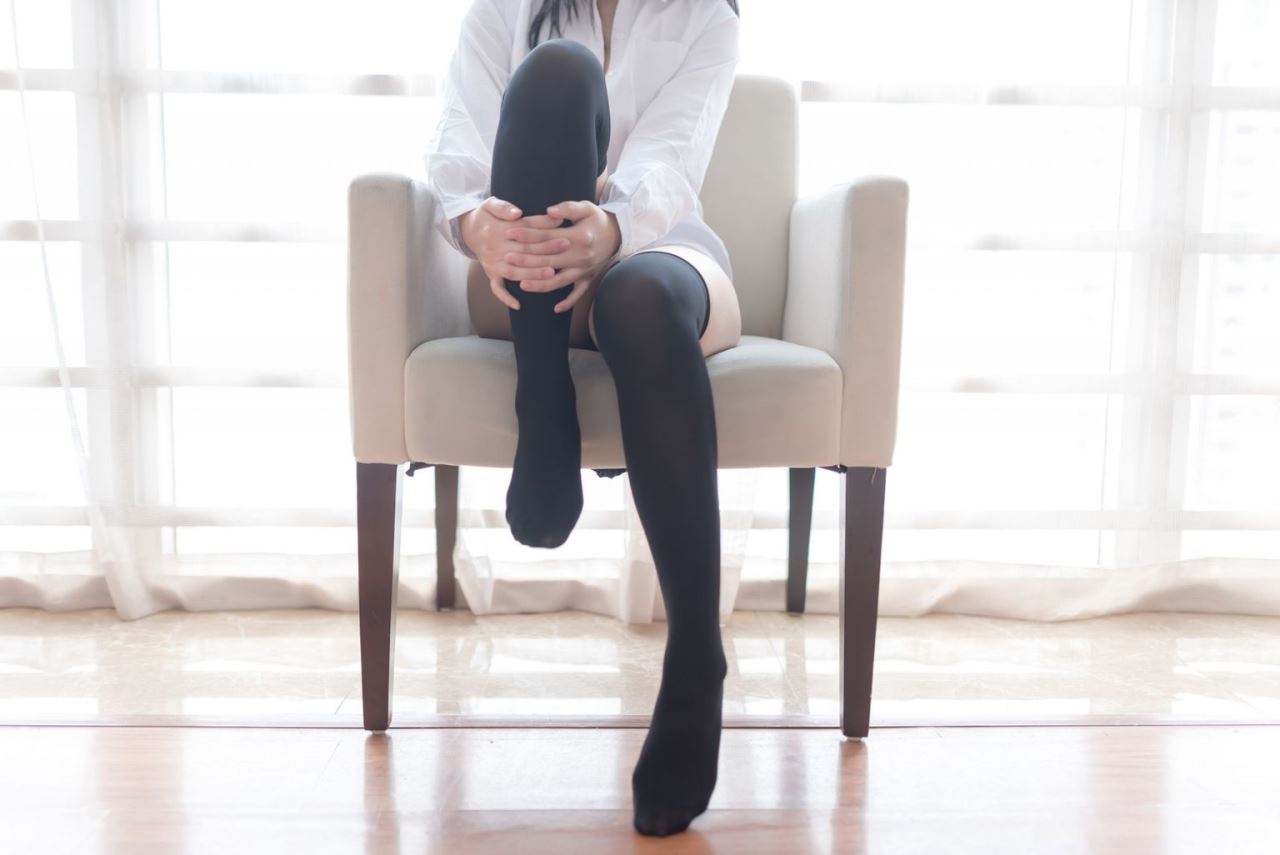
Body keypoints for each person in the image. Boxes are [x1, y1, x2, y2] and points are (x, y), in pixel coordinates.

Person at [426, 0, 743, 837]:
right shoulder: (505, 8)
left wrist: (613, 228)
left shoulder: (706, 17)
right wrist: (476, 226)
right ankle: (545, 399)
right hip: (521, 272)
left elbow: (673, 156)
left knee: (642, 296)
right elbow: (460, 136)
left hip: (661, 251)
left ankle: (695, 656)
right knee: (557, 75)